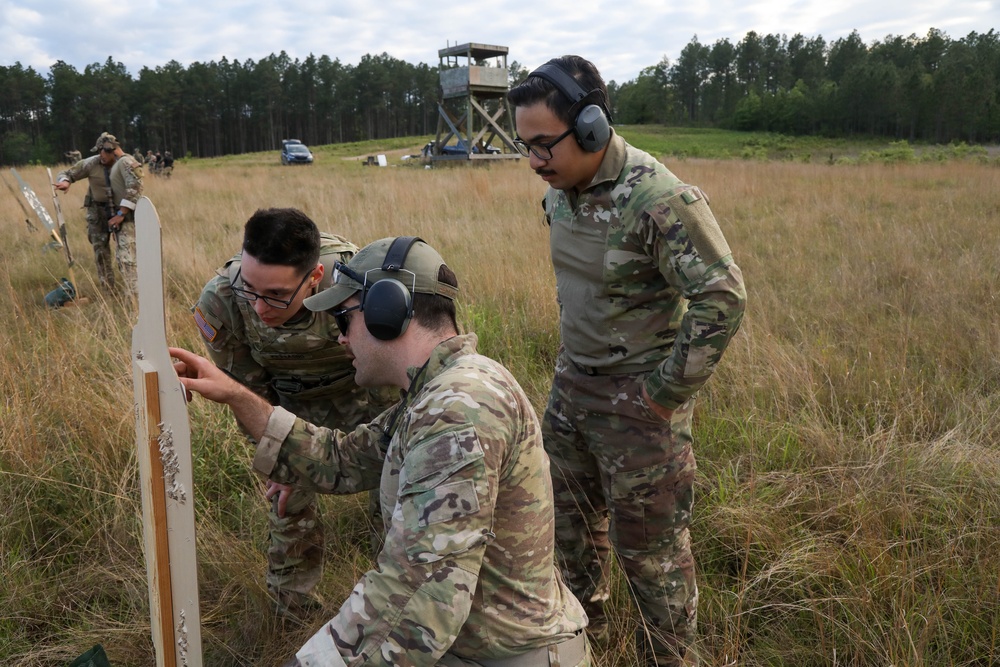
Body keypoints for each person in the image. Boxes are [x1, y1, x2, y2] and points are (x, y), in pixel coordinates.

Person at [171, 236, 591, 666]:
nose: (339, 339)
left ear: (386, 312)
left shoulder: (458, 408)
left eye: (342, 318)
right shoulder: (433, 393)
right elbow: (340, 458)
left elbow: (418, 592)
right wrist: (237, 395)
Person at [507, 55, 747, 666]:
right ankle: (584, 642)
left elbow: (722, 295)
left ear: (589, 127)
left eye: (542, 144)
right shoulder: (560, 192)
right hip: (571, 393)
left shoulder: (657, 197)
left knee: (652, 555)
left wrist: (665, 393)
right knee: (569, 533)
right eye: (523, 145)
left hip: (638, 408)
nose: (533, 160)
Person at [192, 208, 387, 617]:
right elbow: (245, 393)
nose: (260, 308)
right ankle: (292, 610)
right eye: (251, 288)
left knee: (397, 484)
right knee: (286, 502)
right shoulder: (222, 303)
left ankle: (392, 597)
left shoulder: (359, 288)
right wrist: (279, 464)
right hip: (285, 403)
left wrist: (394, 447)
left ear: (315, 278)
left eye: (277, 295)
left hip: (363, 396)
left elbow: (390, 378)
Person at [55, 132, 144, 295]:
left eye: (103, 151)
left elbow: (135, 189)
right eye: (99, 151)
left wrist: (121, 214)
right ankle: (108, 291)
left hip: (123, 213)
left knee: (126, 254)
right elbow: (66, 173)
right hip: (98, 212)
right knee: (101, 252)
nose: (100, 155)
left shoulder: (127, 164)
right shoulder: (92, 163)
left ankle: (133, 294)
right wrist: (65, 182)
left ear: (112, 150)